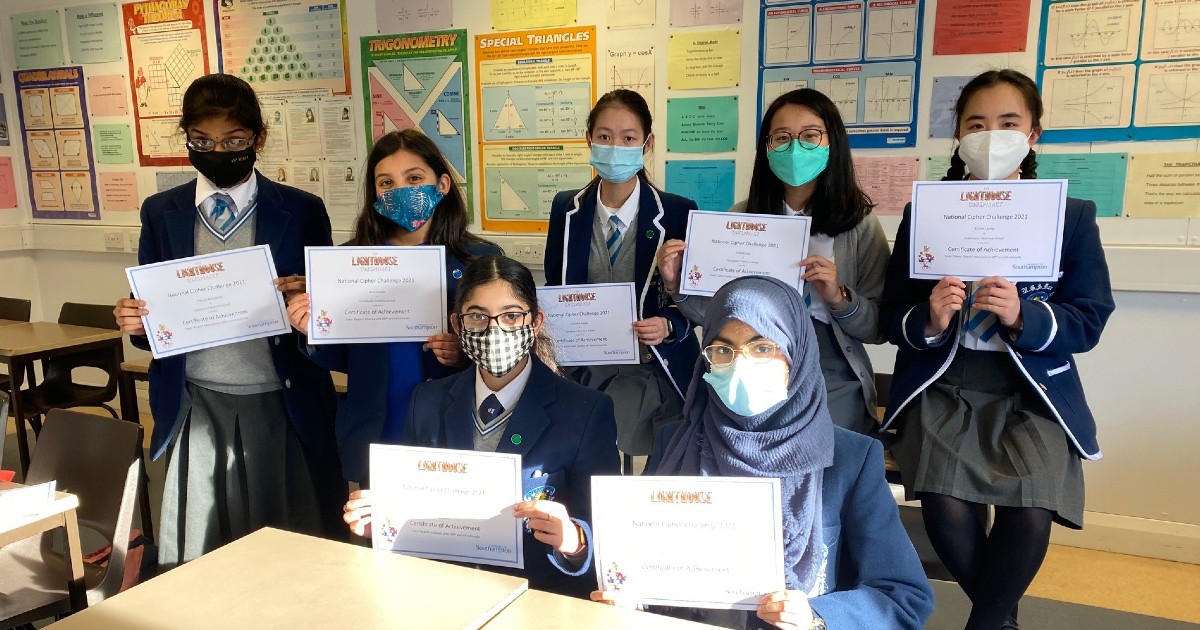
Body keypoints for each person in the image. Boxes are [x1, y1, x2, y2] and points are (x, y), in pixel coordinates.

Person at [880, 69, 1115, 630]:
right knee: (943, 500)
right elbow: (892, 316)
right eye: (976, 124)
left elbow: (1090, 318)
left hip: (1030, 389)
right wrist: (931, 317)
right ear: (959, 136)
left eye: (1008, 124)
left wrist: (1023, 316)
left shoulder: (1069, 216)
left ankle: (989, 623)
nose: (991, 137)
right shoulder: (927, 213)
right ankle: (999, 623)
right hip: (945, 383)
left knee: (1032, 508)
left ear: (1033, 134)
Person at [593, 276, 933, 629]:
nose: (740, 365)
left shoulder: (850, 459)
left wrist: (818, 617)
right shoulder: (674, 443)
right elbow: (641, 564)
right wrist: (630, 596)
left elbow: (903, 597)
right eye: (722, 350)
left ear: (796, 353)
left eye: (761, 348)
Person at [112, 73, 344, 569]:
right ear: (187, 138)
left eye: (233, 141)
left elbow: (328, 317)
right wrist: (137, 321)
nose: (218, 152)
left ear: (258, 138)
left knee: (291, 553)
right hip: (196, 404)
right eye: (202, 141)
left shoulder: (301, 210)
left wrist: (310, 301)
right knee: (201, 553)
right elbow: (154, 310)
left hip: (282, 402)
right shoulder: (162, 212)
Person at [342, 256, 620, 597]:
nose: (494, 330)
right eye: (478, 316)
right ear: (457, 325)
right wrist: (383, 524)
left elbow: (608, 533)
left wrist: (573, 540)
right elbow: (414, 509)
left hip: (537, 596)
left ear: (535, 323)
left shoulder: (586, 411)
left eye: (511, 315)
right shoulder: (427, 400)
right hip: (443, 592)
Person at [656, 88, 888, 436]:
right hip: (751, 355)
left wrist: (838, 298)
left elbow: (878, 328)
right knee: (736, 436)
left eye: (810, 135)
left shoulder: (859, 223)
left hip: (831, 364)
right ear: (767, 147)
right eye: (782, 137)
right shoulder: (741, 217)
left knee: (827, 442)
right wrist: (677, 285)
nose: (795, 148)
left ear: (832, 142)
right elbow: (714, 315)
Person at [286, 129, 501, 485]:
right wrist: (313, 331)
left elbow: (505, 353)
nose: (400, 190)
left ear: (442, 184)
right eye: (386, 183)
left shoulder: (481, 260)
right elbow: (344, 358)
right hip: (378, 430)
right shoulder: (347, 261)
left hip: (452, 432)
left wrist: (464, 354)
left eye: (414, 178)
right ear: (375, 194)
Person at [544, 89, 700, 467]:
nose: (616, 147)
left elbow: (695, 301)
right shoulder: (566, 208)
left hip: (654, 367)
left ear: (647, 144)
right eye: (604, 136)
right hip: (585, 367)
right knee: (588, 462)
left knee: (659, 468)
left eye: (629, 138)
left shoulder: (678, 212)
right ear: (589, 139)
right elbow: (555, 286)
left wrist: (669, 324)